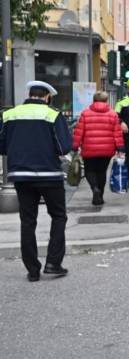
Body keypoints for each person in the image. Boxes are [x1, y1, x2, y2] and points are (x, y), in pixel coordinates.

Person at [0, 81, 72, 282]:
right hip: (49, 175)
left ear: (30, 95)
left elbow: (2, 145)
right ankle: (53, 263)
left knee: (27, 221)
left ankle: (32, 270)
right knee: (58, 216)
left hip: (21, 176)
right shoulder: (52, 114)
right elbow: (64, 147)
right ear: (47, 96)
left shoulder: (10, 114)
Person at [72, 91, 125, 205]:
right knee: (102, 172)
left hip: (89, 148)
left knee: (89, 171)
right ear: (106, 101)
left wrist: (75, 146)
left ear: (93, 100)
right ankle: (100, 195)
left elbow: (78, 132)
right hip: (107, 149)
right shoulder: (112, 114)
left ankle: (94, 188)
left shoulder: (85, 113)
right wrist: (120, 148)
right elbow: (117, 133)